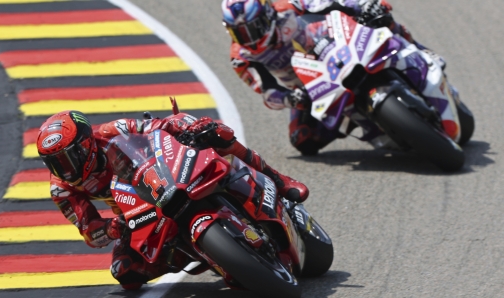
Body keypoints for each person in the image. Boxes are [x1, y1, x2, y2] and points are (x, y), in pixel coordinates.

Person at [36, 109, 308, 290]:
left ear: (86, 144)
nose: (63, 169)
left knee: (214, 133)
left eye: (67, 158)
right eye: (54, 163)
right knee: (125, 273)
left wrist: (181, 125)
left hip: (164, 175)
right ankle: (200, 253)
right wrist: (111, 228)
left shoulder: (111, 131)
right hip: (135, 214)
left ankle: (279, 180)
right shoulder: (62, 189)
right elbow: (89, 233)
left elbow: (155, 126)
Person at [221, 0, 446, 155]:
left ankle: (421, 49)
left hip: (335, 45)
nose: (248, 38)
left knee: (379, 15)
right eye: (238, 32)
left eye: (252, 28)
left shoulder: (287, 7)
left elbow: (330, 2)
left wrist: (364, 5)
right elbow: (267, 91)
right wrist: (291, 99)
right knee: (303, 140)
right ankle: (371, 124)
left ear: (267, 14)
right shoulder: (241, 57)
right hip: (308, 86)